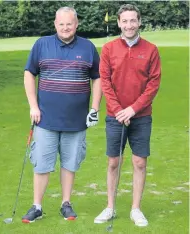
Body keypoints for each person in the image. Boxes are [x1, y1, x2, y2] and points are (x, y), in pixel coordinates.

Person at [22, 6, 102, 223]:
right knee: (41, 162)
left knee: (70, 163)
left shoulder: (88, 47)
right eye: (61, 24)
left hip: (76, 121)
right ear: (55, 24)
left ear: (76, 24)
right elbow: (29, 73)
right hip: (45, 118)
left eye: (69, 24)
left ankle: (66, 203)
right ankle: (37, 206)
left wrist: (94, 108)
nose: (65, 28)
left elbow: (98, 77)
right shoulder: (42, 44)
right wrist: (33, 106)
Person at [94, 4, 161, 227]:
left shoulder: (151, 49)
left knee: (139, 162)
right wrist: (118, 110)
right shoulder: (109, 49)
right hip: (115, 116)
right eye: (125, 21)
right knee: (114, 162)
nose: (129, 25)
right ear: (119, 23)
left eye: (133, 21)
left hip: (141, 116)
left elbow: (153, 84)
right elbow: (105, 81)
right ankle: (110, 207)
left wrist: (133, 109)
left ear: (139, 22)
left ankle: (135, 209)